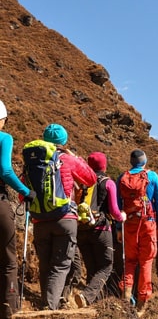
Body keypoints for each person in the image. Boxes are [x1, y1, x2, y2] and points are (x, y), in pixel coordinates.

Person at [28, 123, 96, 310]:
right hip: (65, 218)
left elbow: (23, 193)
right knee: (60, 265)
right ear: (63, 141)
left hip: (39, 219)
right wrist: (77, 158)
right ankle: (50, 307)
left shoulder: (34, 161)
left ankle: (47, 303)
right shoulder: (67, 158)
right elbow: (90, 179)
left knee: (45, 264)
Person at [74, 152, 126, 308]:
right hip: (101, 228)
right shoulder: (108, 182)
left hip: (81, 228)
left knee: (92, 267)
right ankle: (86, 296)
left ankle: (92, 303)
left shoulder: (81, 181)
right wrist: (122, 217)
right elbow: (115, 211)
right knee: (106, 266)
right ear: (104, 165)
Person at [116, 149, 158, 314]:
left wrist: (118, 228)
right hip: (147, 223)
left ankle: (126, 295)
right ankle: (142, 302)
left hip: (129, 223)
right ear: (144, 161)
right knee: (146, 261)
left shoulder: (122, 178)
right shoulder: (152, 176)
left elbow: (117, 206)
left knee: (130, 261)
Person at [0, 100, 36, 318]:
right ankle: (9, 310)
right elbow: (5, 170)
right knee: (8, 261)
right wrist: (26, 191)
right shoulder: (4, 137)